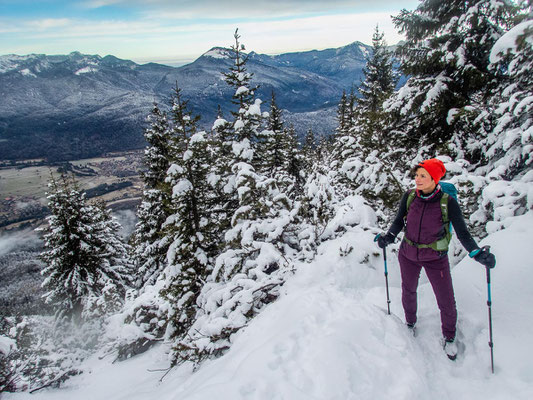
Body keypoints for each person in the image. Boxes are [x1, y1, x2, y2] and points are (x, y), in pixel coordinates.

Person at [376, 158, 496, 360]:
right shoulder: (410, 197)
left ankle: (449, 337)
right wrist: (388, 237)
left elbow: (462, 233)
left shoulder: (447, 203)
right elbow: (398, 221)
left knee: (446, 299)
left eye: (423, 176)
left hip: (435, 257)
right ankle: (410, 323)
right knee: (408, 290)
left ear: (435, 178)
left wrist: (477, 254)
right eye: (416, 175)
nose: (417, 179)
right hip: (408, 254)